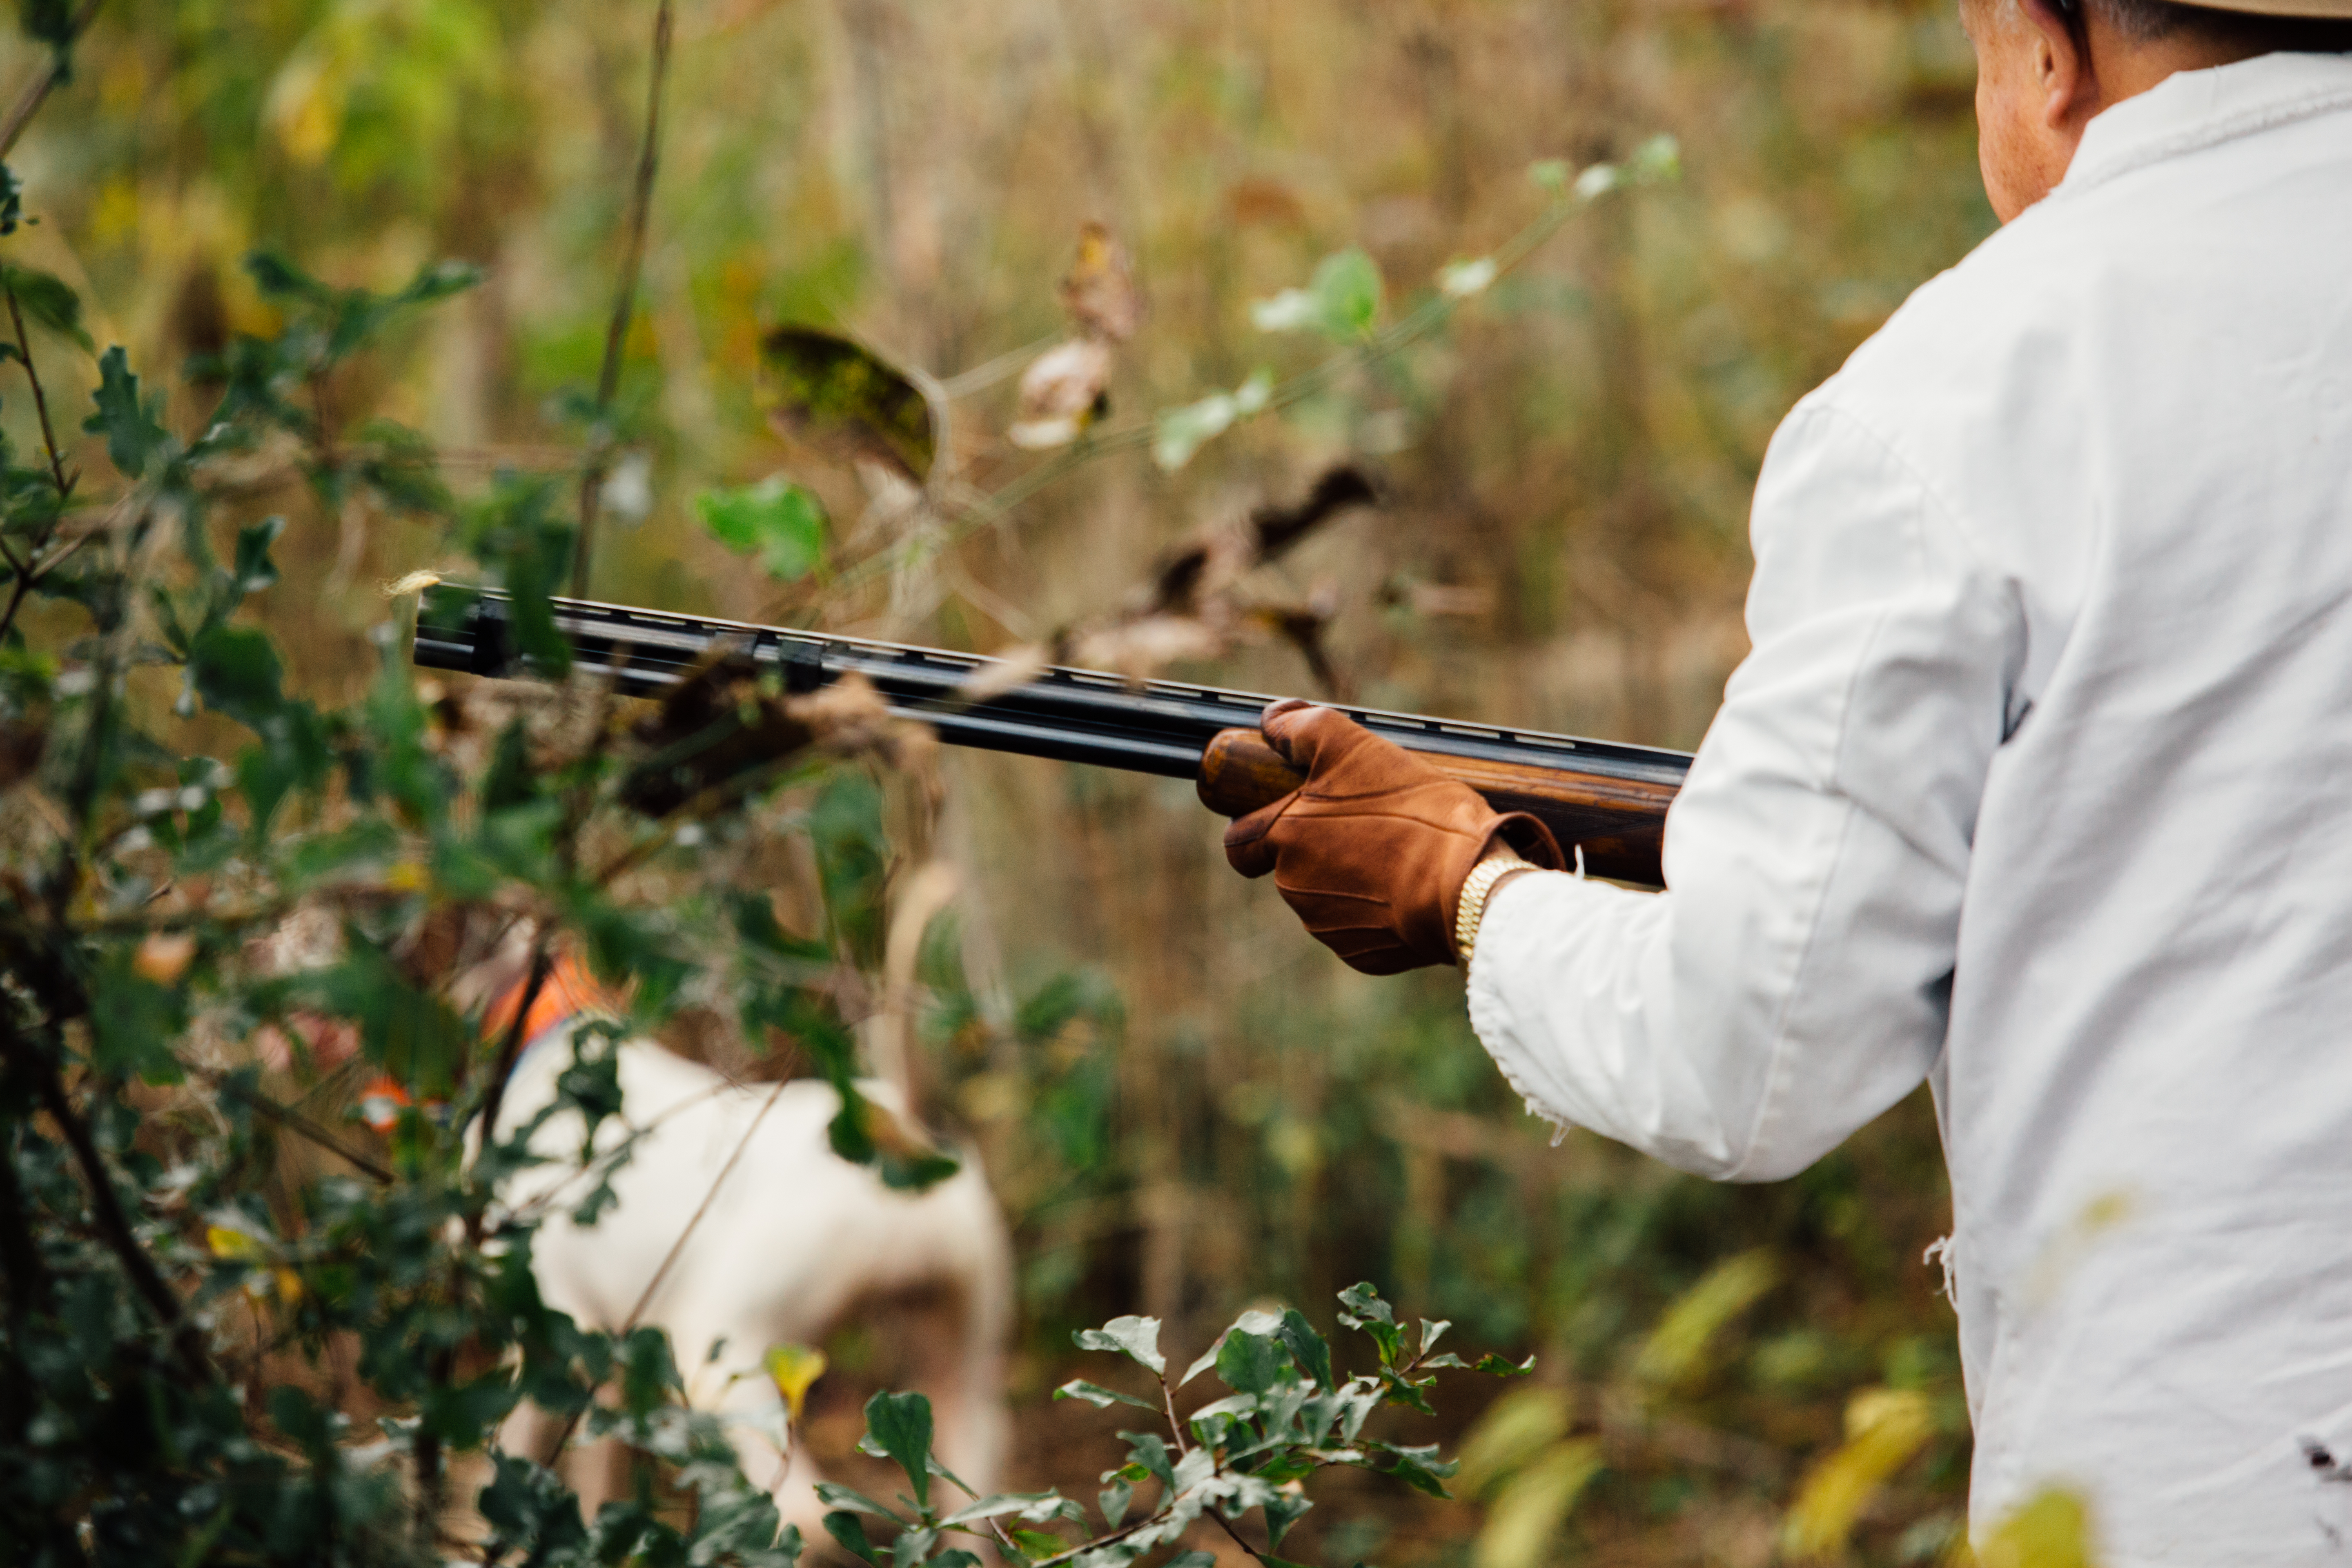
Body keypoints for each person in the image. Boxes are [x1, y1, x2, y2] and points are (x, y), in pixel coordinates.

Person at [1221, 1, 2352, 1559]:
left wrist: (1467, 890)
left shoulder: (1967, 388)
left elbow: (1751, 1050)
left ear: (2045, 45)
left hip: (2218, 1476)